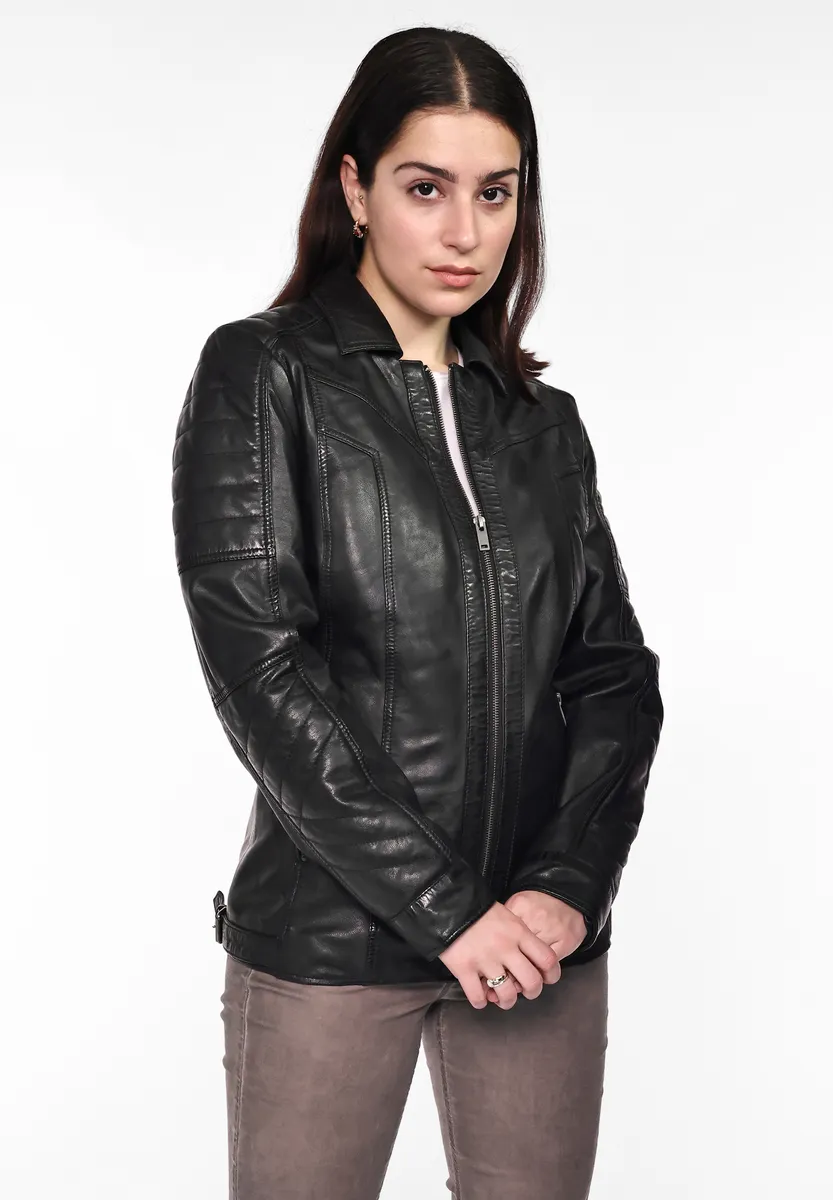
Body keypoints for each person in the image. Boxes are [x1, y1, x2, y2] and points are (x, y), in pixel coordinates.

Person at [171, 25, 664, 1200]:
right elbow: (261, 672)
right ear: (354, 189)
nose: (464, 233)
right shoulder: (265, 374)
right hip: (334, 940)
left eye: (495, 193)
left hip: (536, 948)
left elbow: (611, 674)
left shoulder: (540, 422)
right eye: (424, 188)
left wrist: (561, 889)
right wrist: (447, 912)